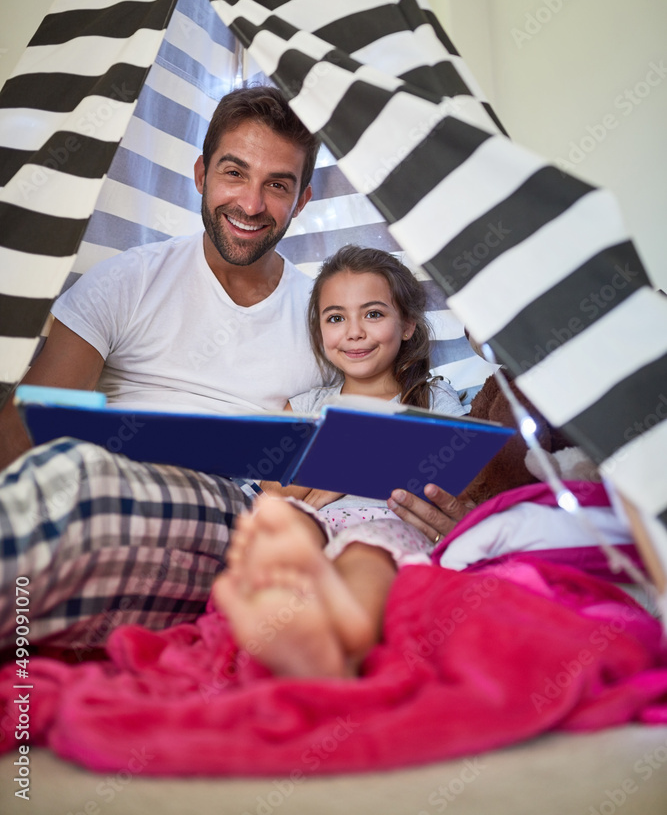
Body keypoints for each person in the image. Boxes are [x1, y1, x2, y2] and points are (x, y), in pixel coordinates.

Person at [0, 85, 325, 652]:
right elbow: (23, 435)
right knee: (69, 490)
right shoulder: (126, 281)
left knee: (80, 488)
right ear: (200, 173)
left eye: (277, 185)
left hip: (229, 521)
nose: (251, 204)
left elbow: (351, 453)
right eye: (234, 172)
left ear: (301, 200)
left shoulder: (328, 318)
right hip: (91, 508)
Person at [212, 246, 470, 678]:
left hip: (387, 522)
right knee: (285, 521)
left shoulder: (430, 399)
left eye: (372, 314)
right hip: (314, 521)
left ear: (407, 324)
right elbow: (275, 490)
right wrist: (338, 478)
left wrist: (327, 473)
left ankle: (340, 641)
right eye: (335, 318)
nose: (353, 332)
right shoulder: (309, 404)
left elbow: (457, 478)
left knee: (368, 547)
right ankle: (284, 607)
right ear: (319, 331)